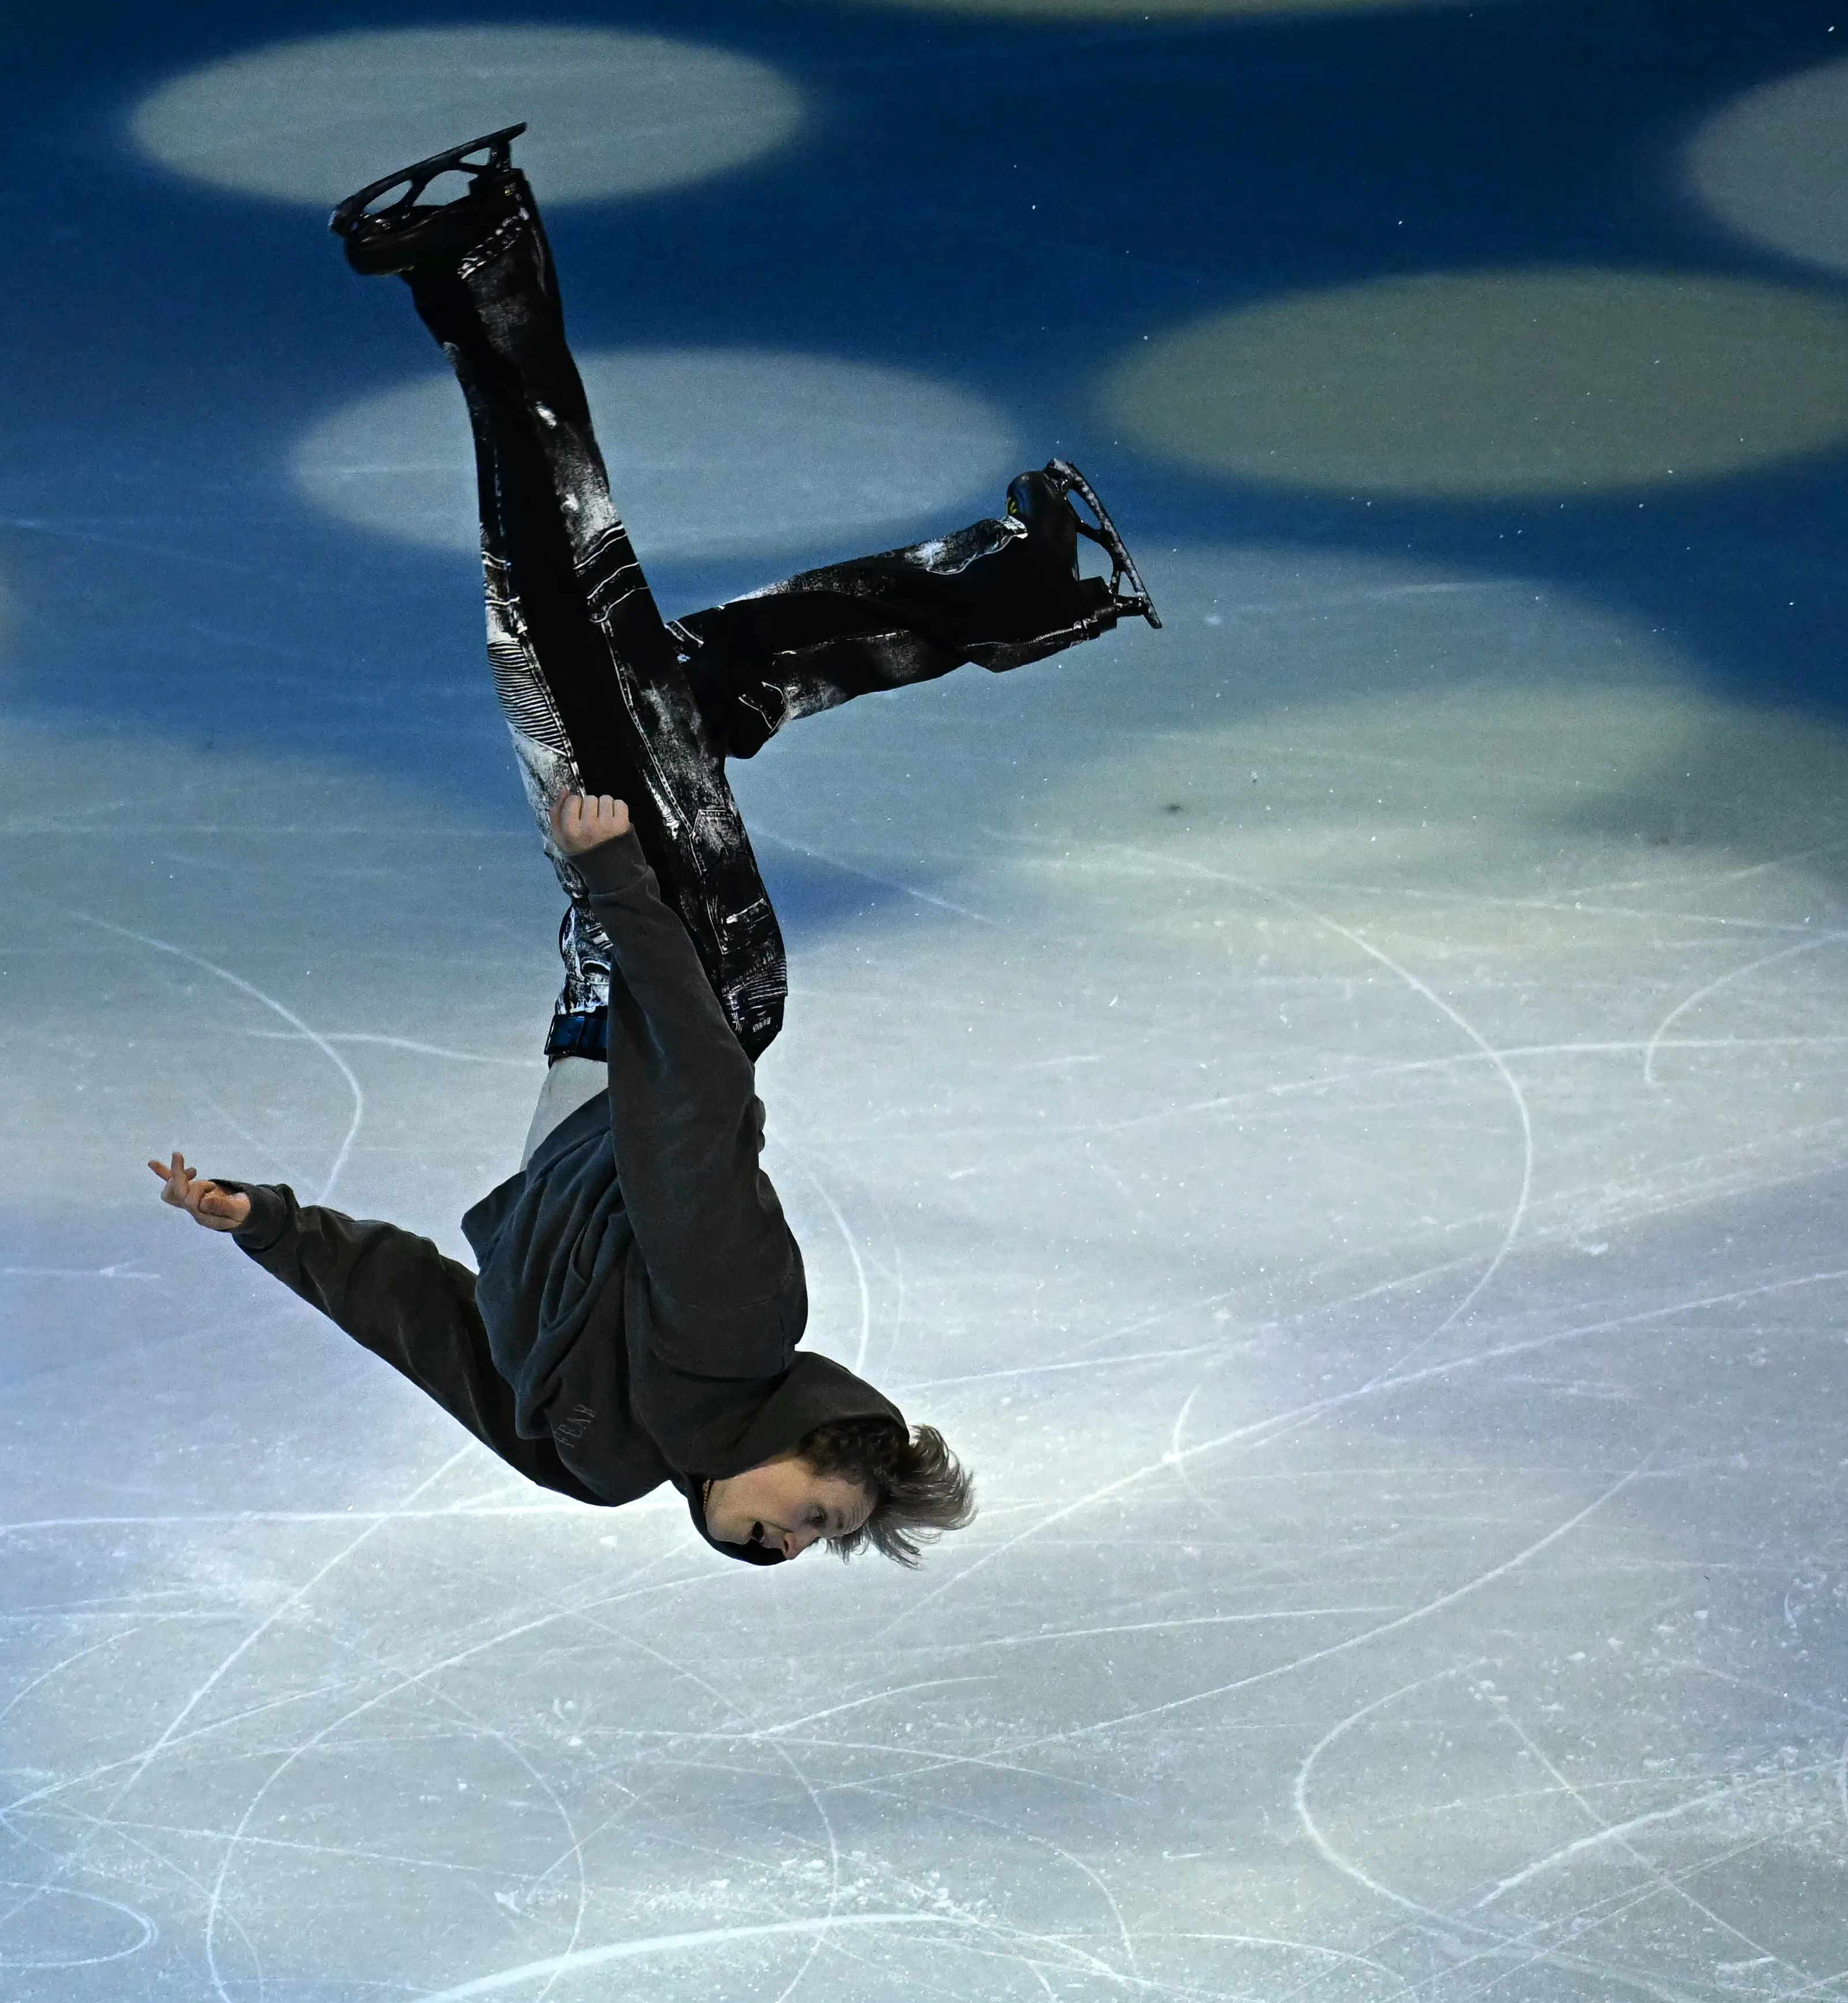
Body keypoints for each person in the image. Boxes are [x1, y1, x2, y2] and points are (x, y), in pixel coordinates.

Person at [146, 124, 1153, 1566]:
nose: (788, 1542)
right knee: (565, 629)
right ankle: (479, 264)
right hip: (678, 970)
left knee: (669, 688)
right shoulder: (741, 1322)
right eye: (818, 1514)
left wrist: (267, 1225)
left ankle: (1013, 593)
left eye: (804, 1541)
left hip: (602, 983)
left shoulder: (592, 1461)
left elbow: (430, 1326)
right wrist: (617, 878)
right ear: (808, 1435)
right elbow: (690, 1112)